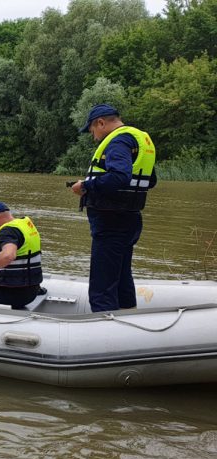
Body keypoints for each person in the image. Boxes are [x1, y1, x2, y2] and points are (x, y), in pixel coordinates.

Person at [70, 104, 156, 312]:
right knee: (121, 276)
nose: (94, 137)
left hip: (111, 221)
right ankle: (128, 318)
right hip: (130, 219)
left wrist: (85, 186)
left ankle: (104, 333)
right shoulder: (139, 140)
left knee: (102, 283)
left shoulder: (118, 141)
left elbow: (119, 176)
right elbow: (150, 180)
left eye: (92, 131)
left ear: (101, 123)